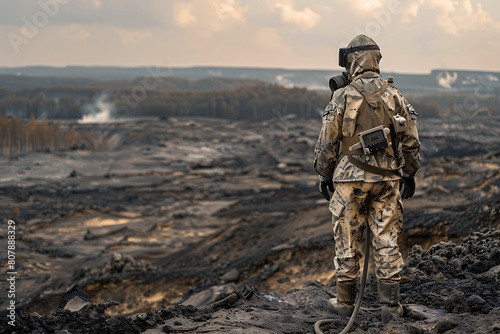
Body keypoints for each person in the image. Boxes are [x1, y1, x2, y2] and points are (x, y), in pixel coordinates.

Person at [313, 34, 421, 323]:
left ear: (352, 61)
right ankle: (390, 307)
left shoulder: (341, 96)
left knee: (348, 240)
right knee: (387, 240)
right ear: (376, 60)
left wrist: (325, 174)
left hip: (349, 181)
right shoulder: (395, 96)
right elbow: (411, 141)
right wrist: (409, 173)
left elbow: (326, 143)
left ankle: (345, 304)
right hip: (388, 181)